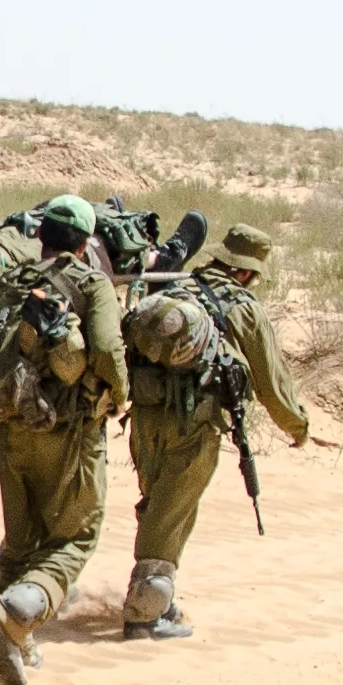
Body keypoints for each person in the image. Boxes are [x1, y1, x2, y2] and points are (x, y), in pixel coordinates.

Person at [0, 192, 125, 682]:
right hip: (69, 428)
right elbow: (109, 351)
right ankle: (16, 615)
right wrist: (118, 395)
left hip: (11, 426)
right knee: (74, 537)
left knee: (21, 536)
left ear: (40, 236)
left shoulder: (12, 280)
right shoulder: (93, 285)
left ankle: (10, 639)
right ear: (85, 241)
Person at [121, 221, 311, 638]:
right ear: (245, 272)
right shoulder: (244, 307)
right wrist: (297, 426)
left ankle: (153, 592)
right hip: (195, 424)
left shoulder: (174, 288)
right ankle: (146, 613)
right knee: (173, 513)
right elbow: (271, 382)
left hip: (144, 416)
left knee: (156, 505)